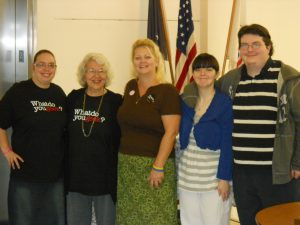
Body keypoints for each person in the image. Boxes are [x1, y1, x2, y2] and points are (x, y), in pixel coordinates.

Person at [217, 24, 300, 225]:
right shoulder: (230, 80)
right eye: (244, 45)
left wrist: (297, 162)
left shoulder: (288, 78)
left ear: (268, 47)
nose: (249, 49)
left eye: (256, 44)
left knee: (281, 221)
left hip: (279, 172)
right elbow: (203, 89)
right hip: (242, 172)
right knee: (249, 221)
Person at [116, 38, 181, 225]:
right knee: (129, 217)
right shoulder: (129, 86)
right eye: (137, 58)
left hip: (154, 166)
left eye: (147, 57)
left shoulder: (167, 91)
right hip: (127, 166)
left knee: (155, 217)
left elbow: (171, 132)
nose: (142, 61)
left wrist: (158, 166)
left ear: (156, 61)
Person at [0, 49, 66, 225]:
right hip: (25, 177)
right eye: (41, 64)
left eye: (51, 65)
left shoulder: (59, 94)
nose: (47, 69)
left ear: (55, 68)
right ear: (33, 67)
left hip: (55, 177)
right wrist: (7, 151)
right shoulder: (18, 92)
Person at [66, 53, 122, 225]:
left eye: (101, 71)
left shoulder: (116, 101)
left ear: (107, 75)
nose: (96, 76)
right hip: (76, 179)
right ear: (84, 74)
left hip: (105, 181)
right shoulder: (73, 98)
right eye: (91, 71)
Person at [177, 53, 233, 225]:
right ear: (192, 74)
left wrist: (224, 178)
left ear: (216, 73)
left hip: (213, 180)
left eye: (209, 69)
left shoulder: (224, 103)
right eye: (198, 69)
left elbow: (228, 143)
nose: (203, 73)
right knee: (188, 222)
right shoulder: (185, 101)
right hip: (187, 178)